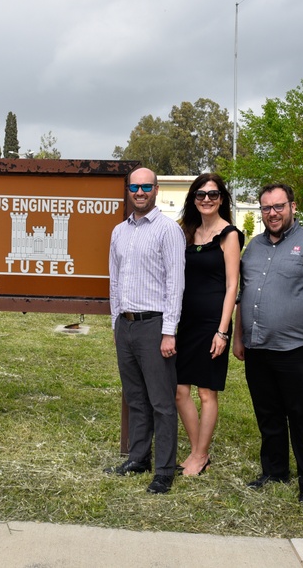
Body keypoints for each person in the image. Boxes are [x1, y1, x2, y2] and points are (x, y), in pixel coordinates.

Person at [233, 183, 303, 507]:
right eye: (266, 208)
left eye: (279, 206)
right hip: (258, 348)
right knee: (268, 415)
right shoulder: (252, 248)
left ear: (292, 206)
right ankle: (274, 471)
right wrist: (239, 337)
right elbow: (242, 297)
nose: (272, 213)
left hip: (297, 349)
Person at [106, 167, 186, 494]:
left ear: (156, 189)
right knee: (136, 398)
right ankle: (139, 457)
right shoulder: (118, 232)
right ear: (129, 190)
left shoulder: (168, 231)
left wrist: (169, 331)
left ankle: (165, 470)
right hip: (125, 326)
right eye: (135, 187)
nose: (140, 192)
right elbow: (114, 279)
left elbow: (175, 283)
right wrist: (115, 320)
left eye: (146, 187)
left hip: (154, 327)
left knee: (162, 402)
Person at [175, 173, 242, 476]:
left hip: (213, 323)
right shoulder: (186, 233)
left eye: (212, 194)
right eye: (200, 194)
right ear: (193, 199)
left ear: (221, 199)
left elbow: (232, 286)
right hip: (186, 321)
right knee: (179, 390)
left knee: (206, 392)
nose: (206, 199)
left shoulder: (229, 235)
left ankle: (200, 456)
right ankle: (196, 450)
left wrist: (223, 330)